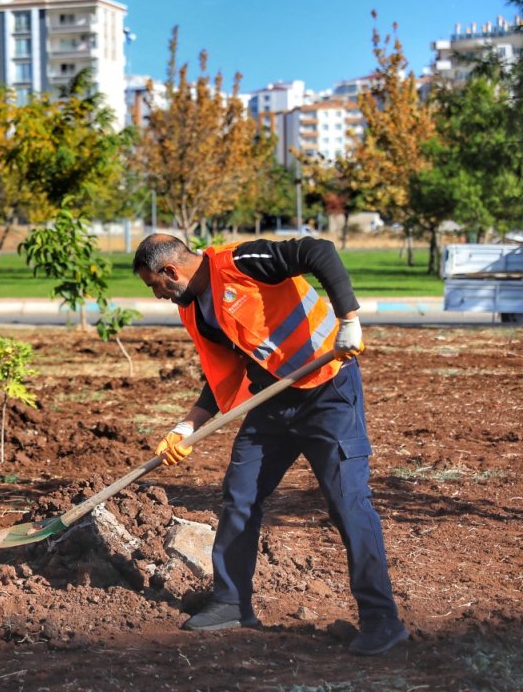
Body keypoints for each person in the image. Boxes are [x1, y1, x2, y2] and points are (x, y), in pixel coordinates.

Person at [132, 233, 407, 656]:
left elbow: (320, 251)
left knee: (347, 501)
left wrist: (348, 318)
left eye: (155, 285)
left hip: (327, 390)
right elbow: (226, 371)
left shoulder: (242, 262)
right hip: (273, 400)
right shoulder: (195, 310)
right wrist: (188, 426)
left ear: (171, 271)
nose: (157, 295)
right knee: (240, 494)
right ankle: (231, 603)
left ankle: (382, 619)